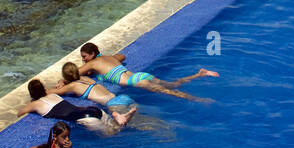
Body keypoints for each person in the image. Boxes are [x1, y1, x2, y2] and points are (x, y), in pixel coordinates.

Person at [76, 42, 218, 98]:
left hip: (136, 82)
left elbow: (74, 73)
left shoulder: (93, 63)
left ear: (93, 54)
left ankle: (199, 100)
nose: (83, 60)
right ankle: (200, 74)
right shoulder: (107, 58)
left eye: (84, 57)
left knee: (171, 92)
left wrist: (62, 81)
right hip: (139, 76)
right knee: (171, 85)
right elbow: (122, 56)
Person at [16, 78, 119, 133]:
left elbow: (20, 113)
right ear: (44, 89)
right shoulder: (53, 94)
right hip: (94, 110)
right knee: (117, 127)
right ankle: (123, 119)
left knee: (111, 136)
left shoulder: (35, 104)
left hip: (87, 119)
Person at [49, 62, 137, 121]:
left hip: (114, 104)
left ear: (65, 76)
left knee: (138, 125)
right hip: (121, 98)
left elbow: (54, 91)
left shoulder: (72, 86)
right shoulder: (85, 79)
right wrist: (62, 81)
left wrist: (60, 84)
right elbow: (65, 80)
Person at [10, 120, 75, 148]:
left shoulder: (67, 145)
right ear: (55, 137)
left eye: (68, 136)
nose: (67, 139)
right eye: (64, 137)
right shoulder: (49, 146)